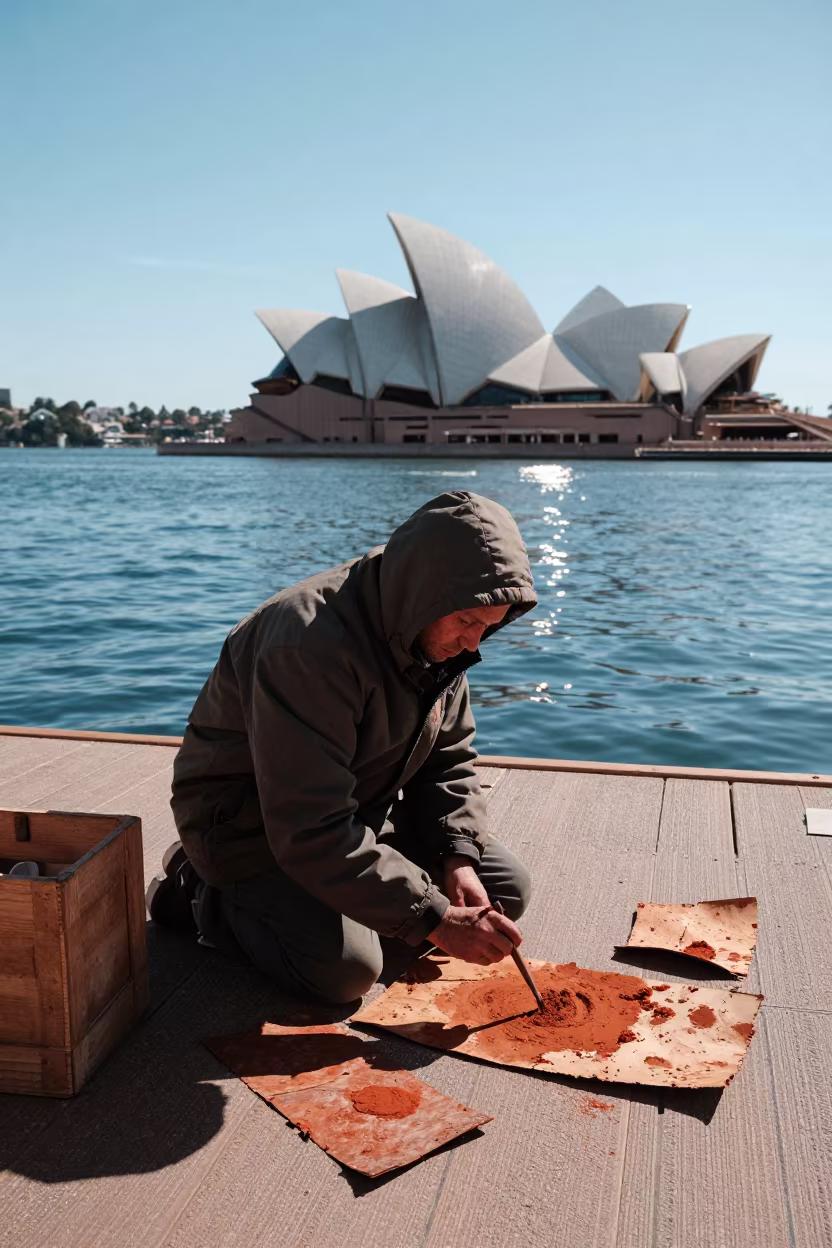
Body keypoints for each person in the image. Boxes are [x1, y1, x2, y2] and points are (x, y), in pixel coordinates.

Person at [149, 490, 537, 1004]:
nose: (473, 645)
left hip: (355, 810)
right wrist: (436, 918)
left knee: (504, 890)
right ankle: (197, 890)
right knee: (345, 973)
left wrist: (456, 854)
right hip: (252, 831)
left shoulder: (437, 631)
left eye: (488, 629)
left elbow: (448, 758)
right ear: (426, 594)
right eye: (467, 623)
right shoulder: (305, 643)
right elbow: (309, 824)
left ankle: (364, 894)